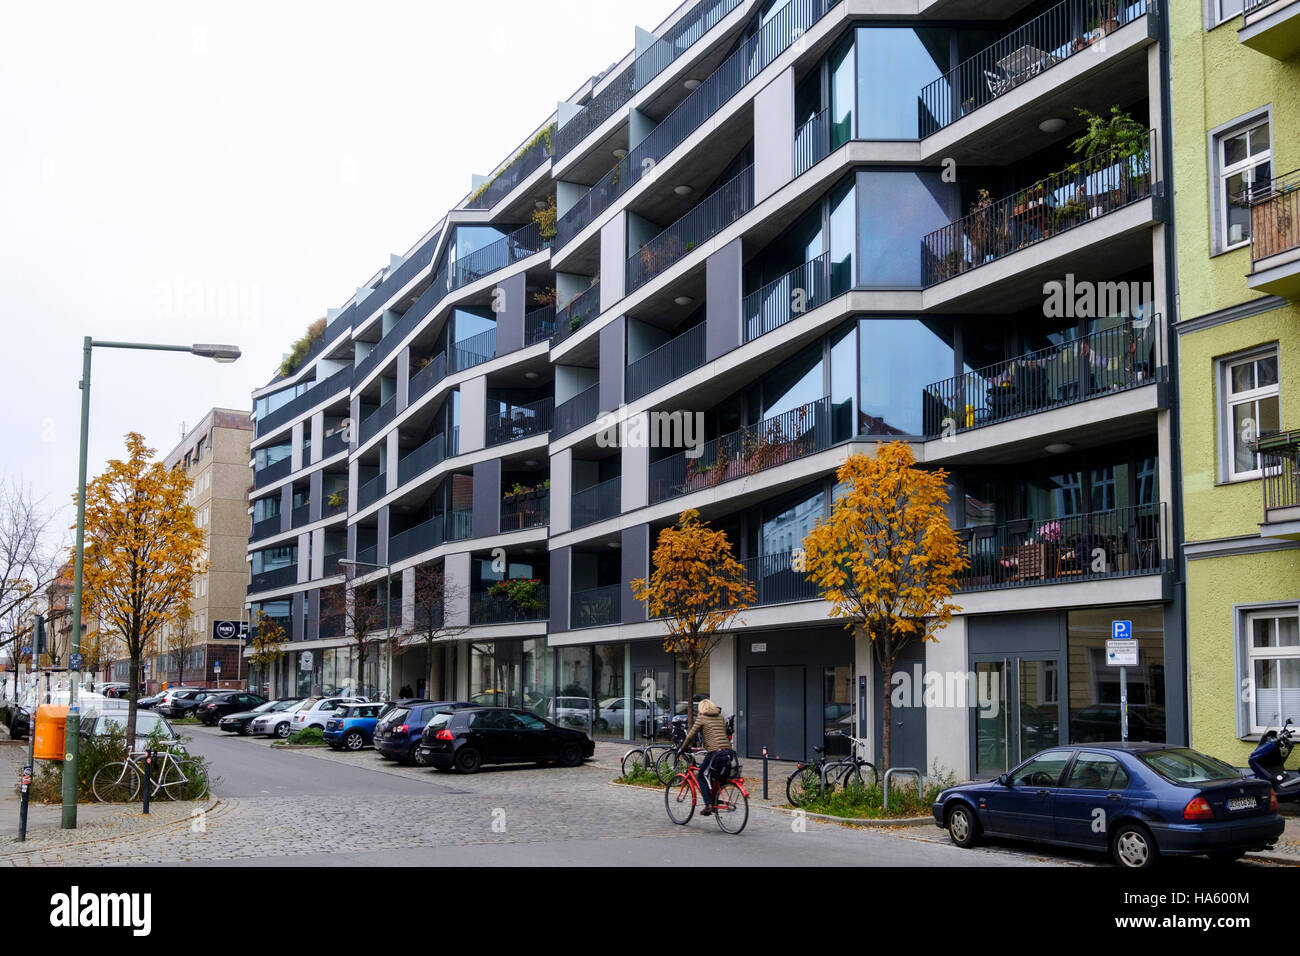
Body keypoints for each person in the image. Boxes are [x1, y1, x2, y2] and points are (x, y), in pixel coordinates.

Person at [678, 698, 733, 815]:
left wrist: (682, 749)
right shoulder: (720, 717)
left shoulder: (702, 718)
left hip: (715, 753)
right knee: (715, 776)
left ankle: (708, 805)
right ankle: (714, 799)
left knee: (701, 775)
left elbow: (690, 736)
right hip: (728, 752)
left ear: (701, 709)